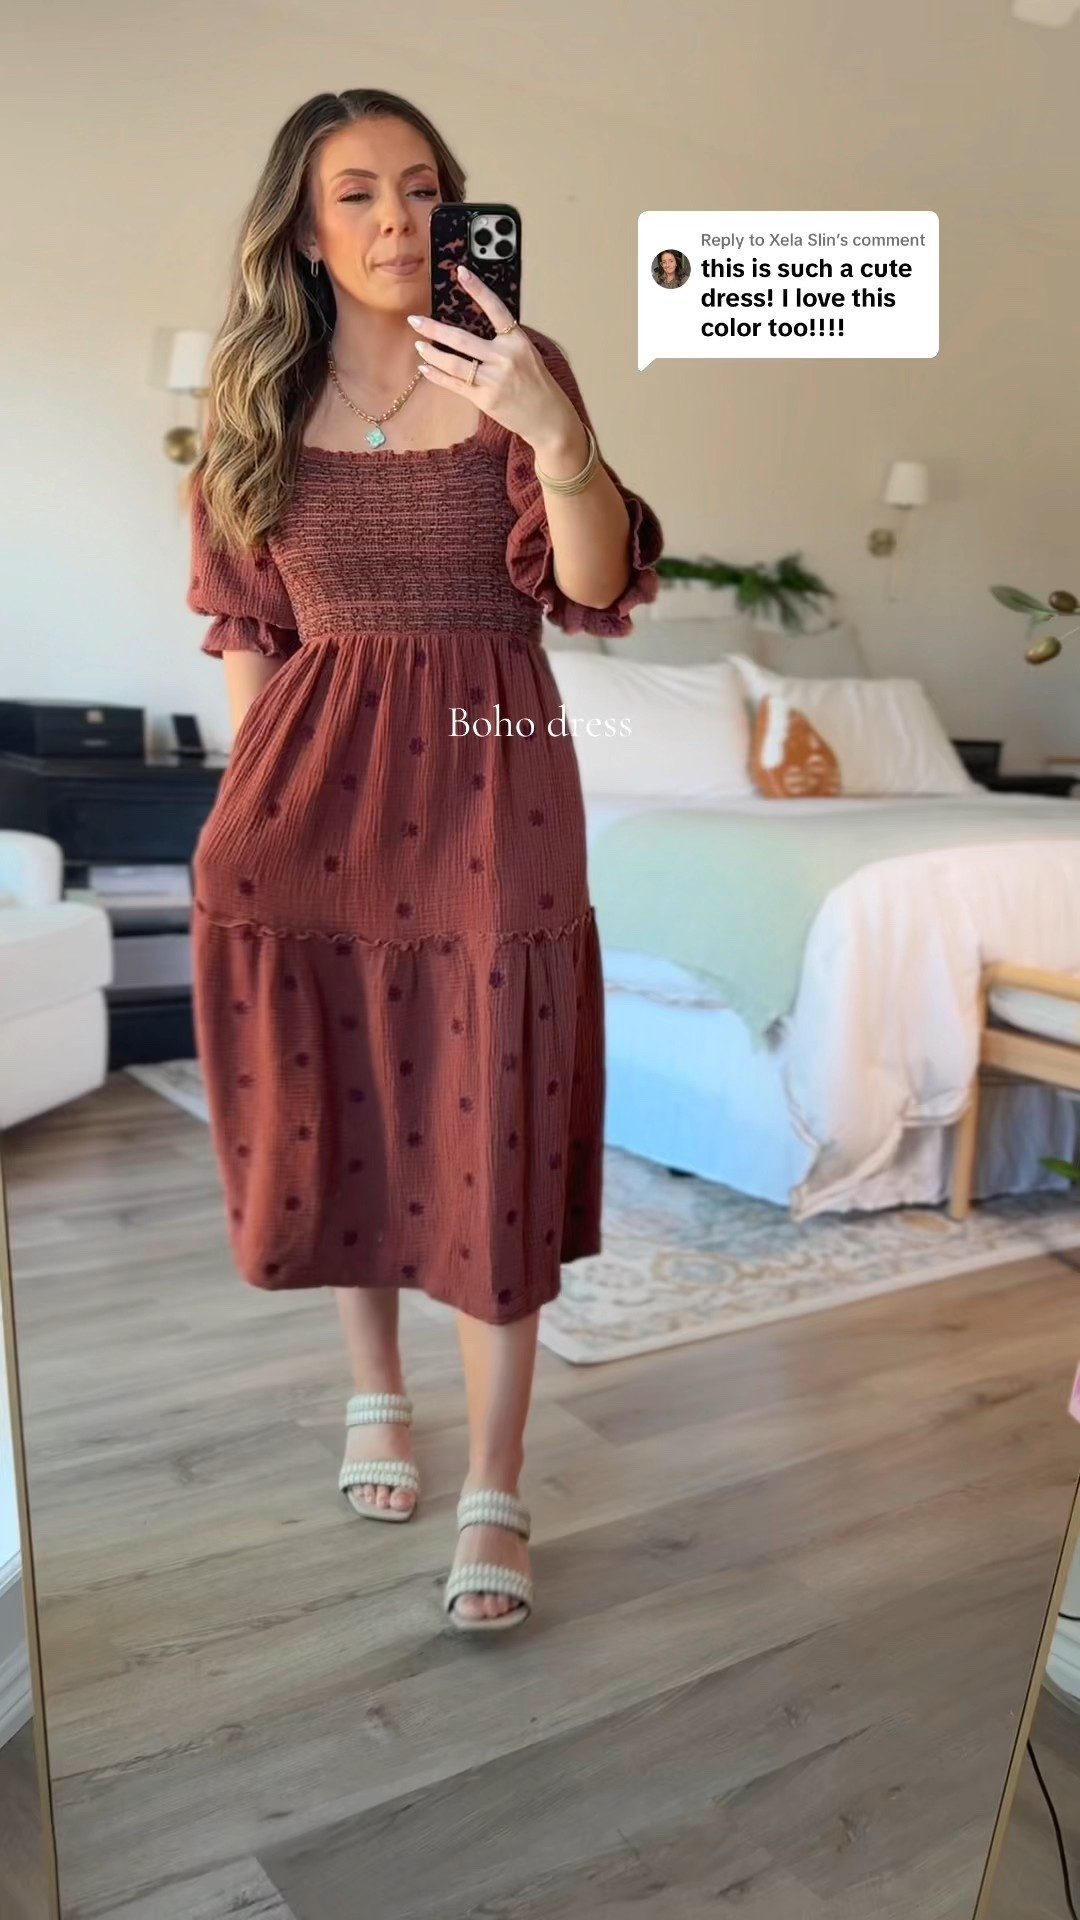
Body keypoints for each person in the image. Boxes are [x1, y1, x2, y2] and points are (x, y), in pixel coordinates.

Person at [186, 86, 663, 1633]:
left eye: (422, 187)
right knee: (350, 1104)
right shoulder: (255, 408)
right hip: (306, 813)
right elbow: (250, 636)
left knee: (493, 1123)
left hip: (493, 792)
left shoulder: (520, 370)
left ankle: (497, 1482)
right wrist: (242, 817)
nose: (398, 219)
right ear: (303, 228)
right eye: (358, 193)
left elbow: (591, 584)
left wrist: (558, 431)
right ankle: (375, 1393)